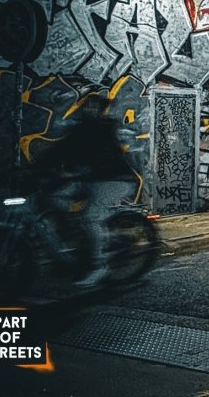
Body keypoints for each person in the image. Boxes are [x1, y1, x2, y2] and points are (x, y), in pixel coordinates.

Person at [34, 94, 136, 288]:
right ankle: (82, 239)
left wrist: (83, 168)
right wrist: (36, 166)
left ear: (99, 110)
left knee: (90, 217)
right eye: (86, 106)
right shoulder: (80, 129)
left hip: (113, 180)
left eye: (93, 106)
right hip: (88, 180)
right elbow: (61, 149)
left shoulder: (104, 129)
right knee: (53, 198)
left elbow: (103, 155)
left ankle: (99, 266)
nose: (88, 109)